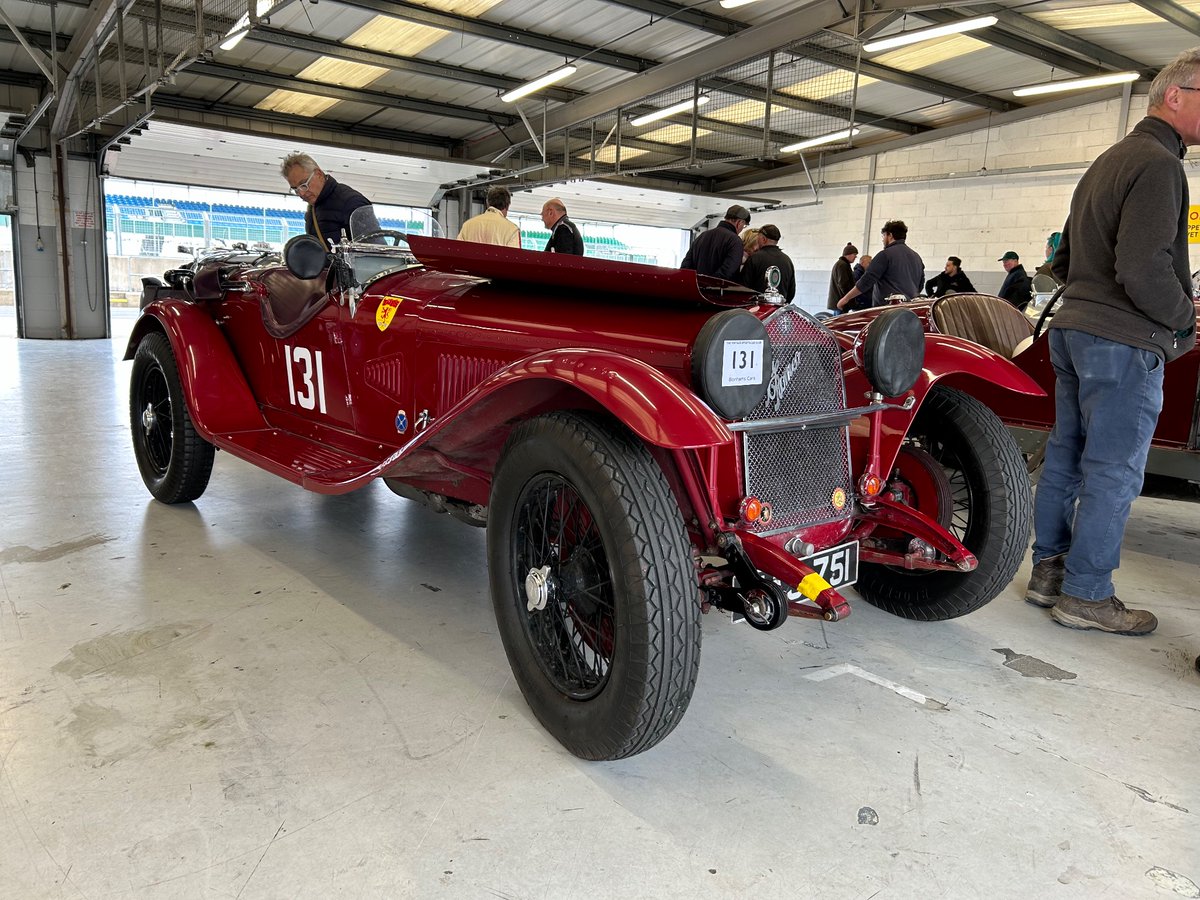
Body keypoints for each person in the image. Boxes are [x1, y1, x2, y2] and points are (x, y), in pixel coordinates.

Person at [1024, 48, 1199, 636]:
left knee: (1066, 460)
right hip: (1123, 340)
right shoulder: (1159, 164)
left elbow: (1063, 258)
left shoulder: (1108, 160)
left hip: (1073, 330)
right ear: (1174, 95)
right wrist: (1183, 321)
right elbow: (1144, 268)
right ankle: (1087, 595)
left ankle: (1048, 574)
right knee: (1114, 471)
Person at [281, 152, 375, 249]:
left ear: (319, 174)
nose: (301, 193)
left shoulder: (352, 202)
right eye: (296, 189)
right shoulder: (312, 209)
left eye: (304, 185)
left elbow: (374, 249)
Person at [836, 220, 924, 310]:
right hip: (910, 311)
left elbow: (867, 280)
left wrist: (846, 298)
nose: (882, 239)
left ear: (890, 235)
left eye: (883, 235)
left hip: (887, 311)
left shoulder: (885, 255)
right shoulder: (917, 257)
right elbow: (920, 285)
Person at [681, 205, 751, 280]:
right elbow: (728, 271)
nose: (741, 229)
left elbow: (685, 265)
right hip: (718, 290)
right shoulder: (735, 241)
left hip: (696, 289)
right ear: (739, 223)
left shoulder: (702, 236)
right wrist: (709, 284)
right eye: (744, 226)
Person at [739, 224, 796, 300]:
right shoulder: (787, 261)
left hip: (757, 308)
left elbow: (744, 287)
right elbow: (791, 292)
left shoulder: (754, 258)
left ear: (763, 239)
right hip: (778, 308)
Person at [828, 243, 857, 310]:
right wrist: (847, 298)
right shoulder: (842, 265)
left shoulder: (842, 264)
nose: (855, 257)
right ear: (848, 254)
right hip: (841, 303)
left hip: (839, 301)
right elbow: (843, 284)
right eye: (854, 254)